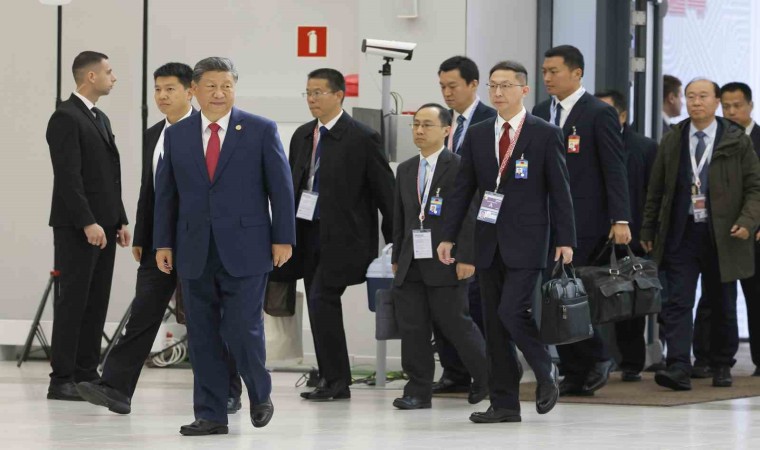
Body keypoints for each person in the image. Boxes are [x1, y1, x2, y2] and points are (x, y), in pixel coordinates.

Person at [76, 62, 242, 415]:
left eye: (170, 89)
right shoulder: (154, 133)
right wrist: (143, 234)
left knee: (206, 319)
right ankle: (116, 388)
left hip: (200, 241)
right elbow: (149, 189)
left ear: (190, 91)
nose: (162, 96)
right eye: (158, 89)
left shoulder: (208, 130)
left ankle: (228, 390)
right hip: (158, 242)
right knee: (144, 312)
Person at [154, 57, 295, 435]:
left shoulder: (260, 129)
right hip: (194, 249)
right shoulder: (176, 135)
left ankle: (260, 393)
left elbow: (281, 189)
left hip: (248, 247)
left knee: (242, 327)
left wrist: (283, 237)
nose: (219, 93)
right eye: (211, 86)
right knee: (202, 335)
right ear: (195, 90)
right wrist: (162, 242)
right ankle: (211, 414)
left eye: (227, 86)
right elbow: (166, 193)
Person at [439, 60, 575, 423]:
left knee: (511, 311)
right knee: (495, 325)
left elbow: (560, 190)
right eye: (493, 86)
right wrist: (449, 236)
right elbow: (462, 189)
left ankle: (545, 368)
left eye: (506, 86)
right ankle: (504, 404)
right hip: (487, 239)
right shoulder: (479, 133)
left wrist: (565, 239)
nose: (498, 93)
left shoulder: (544, 133)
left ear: (524, 90)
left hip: (528, 240)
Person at [271, 68, 395, 401]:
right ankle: (330, 377)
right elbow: (291, 186)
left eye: (318, 92)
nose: (312, 99)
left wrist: (395, 241)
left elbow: (386, 194)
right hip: (306, 233)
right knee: (319, 304)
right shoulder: (302, 135)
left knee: (321, 299)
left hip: (344, 238)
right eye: (308, 93)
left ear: (339, 95)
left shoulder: (362, 138)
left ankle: (337, 380)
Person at [641, 78, 760, 391]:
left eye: (703, 96)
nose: (696, 102)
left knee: (721, 301)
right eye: (691, 96)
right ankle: (679, 366)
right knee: (677, 301)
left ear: (716, 101)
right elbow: (656, 188)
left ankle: (721, 364)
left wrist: (747, 221)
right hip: (681, 233)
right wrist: (649, 228)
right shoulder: (674, 138)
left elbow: (755, 187)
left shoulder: (736, 140)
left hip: (723, 233)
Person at [533, 45, 631, 396]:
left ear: (576, 73)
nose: (547, 78)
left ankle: (598, 357)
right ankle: (574, 368)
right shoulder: (541, 111)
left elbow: (614, 168)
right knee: (554, 296)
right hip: (545, 219)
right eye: (544, 72)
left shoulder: (598, 113)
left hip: (584, 220)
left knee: (576, 294)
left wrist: (620, 218)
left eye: (554, 71)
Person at [390, 103, 488, 410]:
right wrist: (397, 255)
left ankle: (486, 377)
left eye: (427, 125)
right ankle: (417, 391)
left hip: (446, 259)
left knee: (456, 324)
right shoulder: (406, 169)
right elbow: (400, 217)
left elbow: (471, 215)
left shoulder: (460, 167)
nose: (419, 130)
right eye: (416, 124)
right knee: (413, 328)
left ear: (447, 130)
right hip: (411, 261)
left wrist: (466, 256)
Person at [46, 51, 130, 401]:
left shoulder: (100, 118)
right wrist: (87, 221)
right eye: (109, 71)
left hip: (105, 225)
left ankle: (85, 373)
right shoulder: (65, 117)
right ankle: (61, 379)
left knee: (96, 301)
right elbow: (68, 177)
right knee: (74, 301)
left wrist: (119, 219)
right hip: (79, 227)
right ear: (90, 76)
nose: (114, 77)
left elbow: (108, 174)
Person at [432, 56, 497, 395]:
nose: (447, 93)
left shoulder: (491, 121)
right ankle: (453, 371)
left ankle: (486, 373)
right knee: (441, 300)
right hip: (442, 223)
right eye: (442, 86)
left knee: (474, 305)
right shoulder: (441, 122)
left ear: (473, 84)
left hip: (479, 222)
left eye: (453, 86)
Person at [692, 82, 760, 377]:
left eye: (738, 106)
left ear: (750, 106)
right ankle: (706, 357)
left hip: (754, 233)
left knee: (755, 298)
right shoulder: (715, 138)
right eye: (727, 106)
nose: (731, 112)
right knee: (714, 297)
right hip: (720, 232)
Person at [595, 89, 657, 382]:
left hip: (631, 235)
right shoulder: (580, 144)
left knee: (630, 299)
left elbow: (652, 194)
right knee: (590, 295)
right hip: (592, 234)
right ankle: (597, 359)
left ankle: (631, 362)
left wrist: (646, 230)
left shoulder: (644, 148)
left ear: (622, 116)